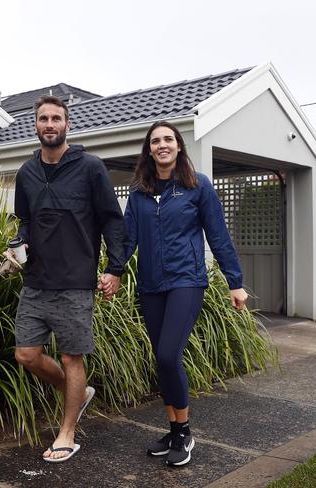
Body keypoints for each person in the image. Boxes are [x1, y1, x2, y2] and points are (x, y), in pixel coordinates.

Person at [5, 95, 127, 463]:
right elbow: (23, 220)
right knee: (26, 354)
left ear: (67, 125)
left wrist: (115, 268)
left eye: (56, 118)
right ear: (36, 125)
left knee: (72, 358)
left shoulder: (90, 167)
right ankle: (78, 392)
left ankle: (67, 432)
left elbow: (111, 219)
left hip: (75, 281)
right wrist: (18, 245)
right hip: (36, 280)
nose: (49, 124)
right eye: (43, 118)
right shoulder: (26, 172)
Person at [120, 120, 248, 467]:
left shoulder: (197, 186)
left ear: (178, 146)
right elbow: (127, 238)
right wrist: (112, 271)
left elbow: (218, 236)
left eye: (168, 139)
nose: (162, 145)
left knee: (167, 354)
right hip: (150, 285)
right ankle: (173, 429)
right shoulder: (138, 192)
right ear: (149, 150)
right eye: (155, 141)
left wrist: (234, 281)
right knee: (162, 360)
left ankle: (185, 432)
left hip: (186, 282)